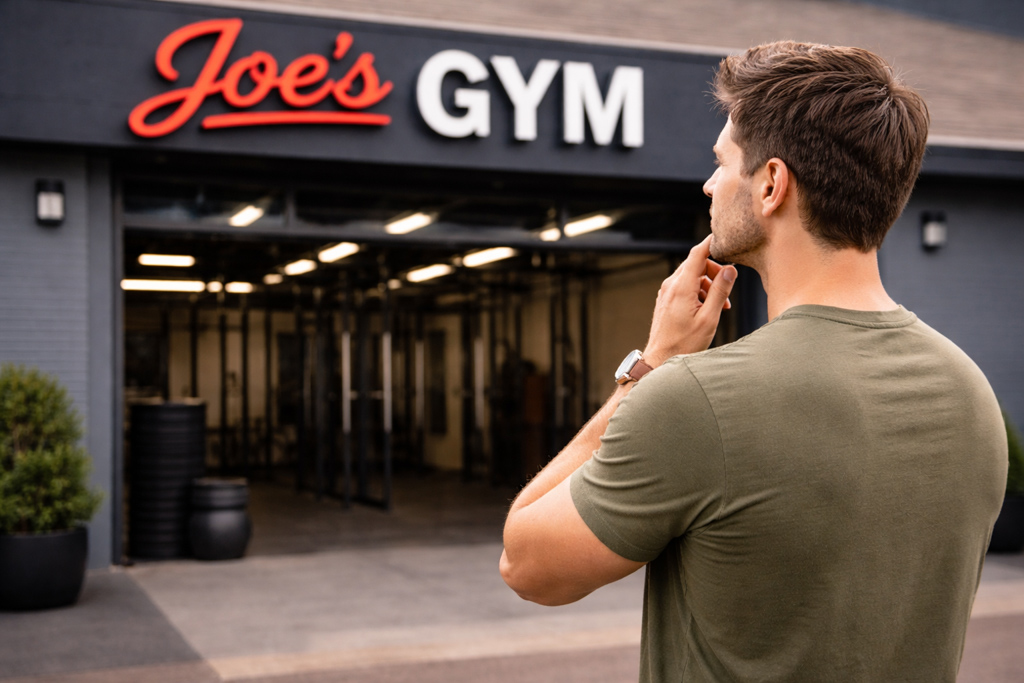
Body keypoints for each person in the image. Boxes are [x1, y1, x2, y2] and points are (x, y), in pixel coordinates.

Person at [499, 41, 1007, 682]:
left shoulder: (696, 401)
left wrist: (651, 364)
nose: (709, 184)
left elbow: (526, 565)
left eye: (721, 163)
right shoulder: (969, 392)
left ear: (770, 184)